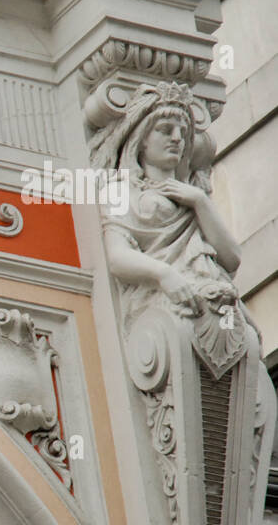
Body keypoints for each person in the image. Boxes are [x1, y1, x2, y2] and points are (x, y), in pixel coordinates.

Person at [97, 81, 249, 374]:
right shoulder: (121, 191)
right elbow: (117, 256)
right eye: (165, 130)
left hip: (214, 296)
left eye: (182, 133)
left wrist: (200, 203)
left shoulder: (193, 195)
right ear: (141, 139)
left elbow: (231, 257)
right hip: (168, 300)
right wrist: (164, 274)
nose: (177, 139)